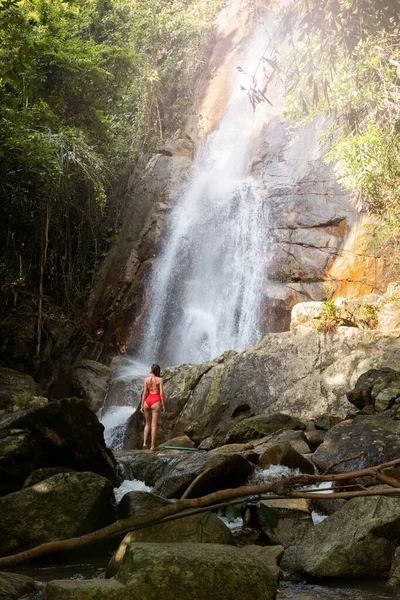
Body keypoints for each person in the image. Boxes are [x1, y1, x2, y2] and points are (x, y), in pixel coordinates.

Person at [140, 363, 165, 450]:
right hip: (156, 401)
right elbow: (161, 393)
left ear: (152, 370)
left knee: (147, 424)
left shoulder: (146, 379)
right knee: (154, 425)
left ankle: (144, 443)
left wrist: (142, 405)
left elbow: (144, 393)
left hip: (147, 401)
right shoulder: (160, 380)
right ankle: (152, 446)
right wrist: (163, 405)